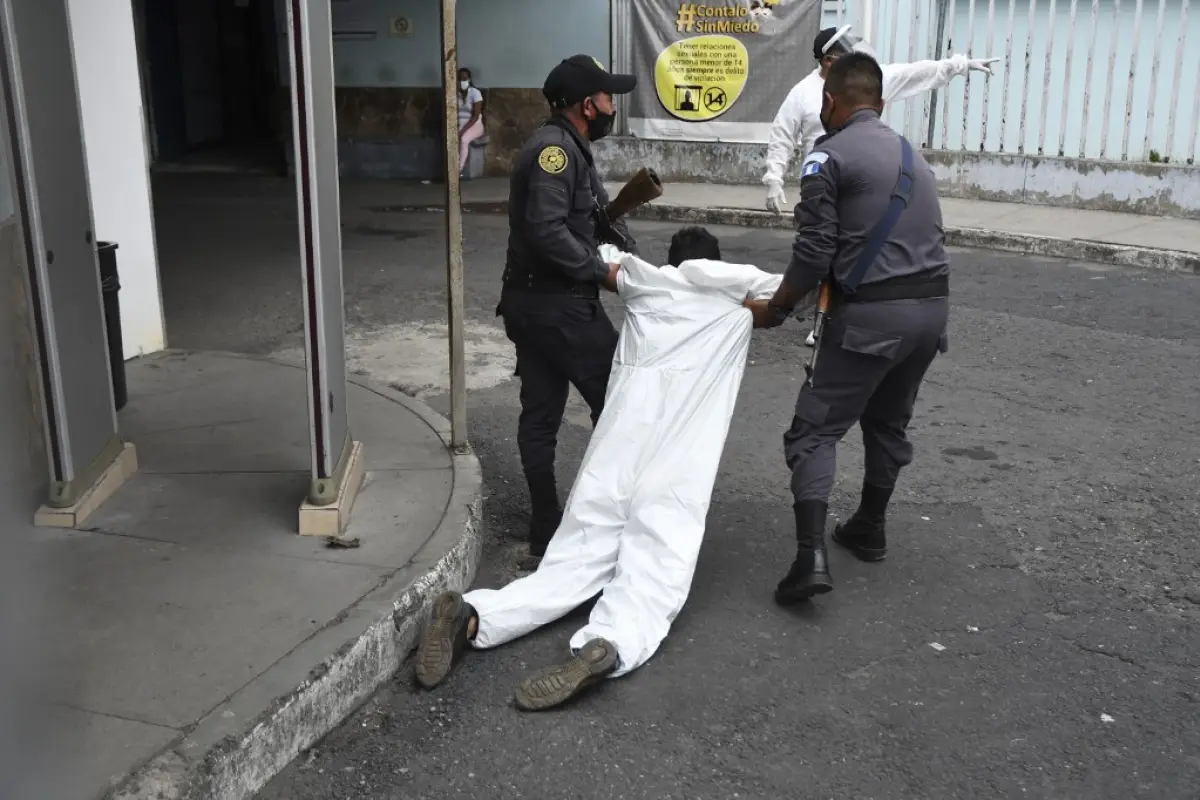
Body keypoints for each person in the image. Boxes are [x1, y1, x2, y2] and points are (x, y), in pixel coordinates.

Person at [414, 227, 783, 711]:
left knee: (577, 552)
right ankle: (612, 641)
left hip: (618, 443)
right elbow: (787, 299)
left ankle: (476, 614)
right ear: (716, 262)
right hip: (679, 454)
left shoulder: (641, 284)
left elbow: (599, 257)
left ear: (670, 261)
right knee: (658, 549)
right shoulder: (736, 311)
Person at [745, 53, 951, 606]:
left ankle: (809, 558)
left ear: (829, 102)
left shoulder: (826, 157)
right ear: (880, 103)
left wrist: (778, 309)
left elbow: (814, 253)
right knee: (887, 421)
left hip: (870, 318)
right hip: (932, 313)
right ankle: (869, 527)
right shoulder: (914, 154)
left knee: (814, 431)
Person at [762, 25, 995, 347]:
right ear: (829, 60)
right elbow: (782, 135)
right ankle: (822, 319)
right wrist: (773, 178)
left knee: (855, 248)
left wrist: (959, 65)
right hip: (822, 182)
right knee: (822, 251)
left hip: (861, 180)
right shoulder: (802, 93)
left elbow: (915, 73)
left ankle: (849, 312)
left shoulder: (866, 80)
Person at [498, 55, 638, 569]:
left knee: (541, 412)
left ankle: (545, 528)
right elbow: (548, 229)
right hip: (558, 306)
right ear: (587, 104)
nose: (611, 106)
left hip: (536, 304)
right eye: (607, 98)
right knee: (619, 407)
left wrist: (631, 257)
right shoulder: (553, 153)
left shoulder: (567, 147)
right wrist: (603, 273)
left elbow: (592, 218)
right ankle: (604, 521)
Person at [456, 67, 485, 177]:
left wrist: (462, 130)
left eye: (464, 78)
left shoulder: (475, 93)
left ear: (469, 79)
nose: (462, 81)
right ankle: (450, 166)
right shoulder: (454, 94)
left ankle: (458, 169)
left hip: (474, 124)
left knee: (463, 139)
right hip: (460, 123)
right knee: (451, 140)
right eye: (460, 79)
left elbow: (476, 116)